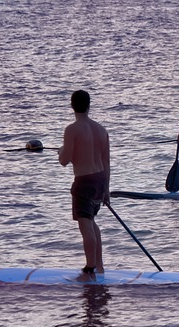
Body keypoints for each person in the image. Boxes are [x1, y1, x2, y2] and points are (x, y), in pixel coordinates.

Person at [59, 90, 110, 280]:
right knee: (92, 223)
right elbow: (106, 162)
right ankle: (100, 267)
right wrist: (106, 189)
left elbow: (65, 160)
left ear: (72, 106)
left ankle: (89, 270)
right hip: (99, 180)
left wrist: (62, 151)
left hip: (84, 181)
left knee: (86, 225)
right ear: (89, 106)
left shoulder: (72, 129)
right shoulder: (101, 130)